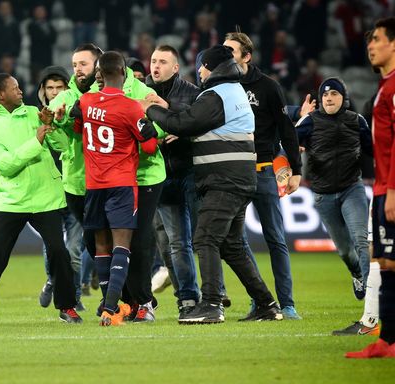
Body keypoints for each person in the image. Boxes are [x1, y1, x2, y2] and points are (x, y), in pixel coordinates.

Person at [141, 45, 283, 324]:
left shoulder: (217, 94)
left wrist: (152, 109)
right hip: (236, 178)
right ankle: (266, 304)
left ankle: (211, 304)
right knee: (231, 245)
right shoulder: (233, 91)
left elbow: (184, 124)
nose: (200, 71)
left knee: (205, 238)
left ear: (212, 67)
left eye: (203, 66)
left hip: (225, 180)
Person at [0, 73, 82, 326]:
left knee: (59, 251)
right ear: (0, 95)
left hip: (46, 196)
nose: (20, 91)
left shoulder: (32, 113)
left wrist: (54, 125)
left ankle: (67, 307)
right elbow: (5, 166)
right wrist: (36, 140)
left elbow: (61, 147)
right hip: (13, 200)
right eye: (14, 88)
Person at [74, 51, 158, 326]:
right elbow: (148, 146)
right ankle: (111, 306)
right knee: (123, 245)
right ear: (123, 72)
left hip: (93, 184)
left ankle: (107, 303)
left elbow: (77, 126)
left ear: (99, 73)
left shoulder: (85, 101)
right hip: (121, 184)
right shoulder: (131, 107)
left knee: (100, 245)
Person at [223, 32, 303, 320]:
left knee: (275, 239)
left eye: (230, 51)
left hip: (264, 171)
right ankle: (261, 301)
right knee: (235, 241)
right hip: (232, 173)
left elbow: (286, 128)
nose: (225, 55)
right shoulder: (221, 86)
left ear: (246, 56)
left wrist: (295, 169)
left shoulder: (268, 86)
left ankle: (287, 303)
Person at [296, 77, 372, 305]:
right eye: (325, 95)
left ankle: (371, 300)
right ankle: (357, 274)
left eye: (334, 94)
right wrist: (292, 166)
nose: (329, 98)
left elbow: (374, 150)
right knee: (345, 251)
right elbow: (288, 146)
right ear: (320, 100)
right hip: (323, 195)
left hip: (353, 189)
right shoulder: (308, 121)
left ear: (343, 98)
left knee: (361, 239)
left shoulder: (357, 121)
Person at [346, 17, 395, 358]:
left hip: (389, 189)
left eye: (377, 39)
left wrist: (393, 190)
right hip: (380, 188)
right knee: (385, 263)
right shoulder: (385, 87)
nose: (371, 46)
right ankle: (387, 341)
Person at [144, 45, 202, 323]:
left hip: (186, 174)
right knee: (169, 244)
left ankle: (197, 295)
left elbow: (202, 123)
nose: (155, 66)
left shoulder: (191, 93)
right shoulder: (141, 93)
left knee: (190, 241)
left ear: (175, 67)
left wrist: (182, 130)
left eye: (162, 62)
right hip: (155, 177)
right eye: (153, 61)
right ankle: (186, 297)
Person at [34, 66, 87, 311]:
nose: (54, 93)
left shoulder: (74, 116)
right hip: (48, 191)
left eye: (59, 88)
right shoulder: (33, 118)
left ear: (67, 90)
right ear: (42, 92)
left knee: (74, 249)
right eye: (50, 88)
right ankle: (52, 279)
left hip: (74, 188)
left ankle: (74, 298)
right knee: (53, 247)